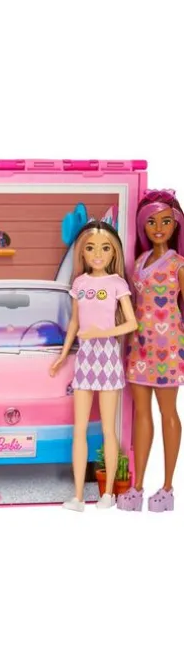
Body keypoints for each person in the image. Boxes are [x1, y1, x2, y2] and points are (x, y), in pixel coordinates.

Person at [51, 220, 137, 511]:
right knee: (79, 428)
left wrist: (102, 332)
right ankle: (77, 496)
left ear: (113, 253)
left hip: (108, 358)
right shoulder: (80, 283)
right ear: (82, 253)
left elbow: (131, 323)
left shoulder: (117, 283)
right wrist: (63, 355)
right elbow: (75, 322)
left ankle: (108, 494)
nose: (97, 254)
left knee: (108, 430)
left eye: (104, 248)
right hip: (85, 358)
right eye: (90, 248)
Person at [120, 189, 184, 512]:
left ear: (176, 226)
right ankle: (137, 486)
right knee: (141, 414)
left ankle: (168, 487)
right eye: (152, 222)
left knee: (168, 412)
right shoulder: (139, 262)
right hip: (140, 346)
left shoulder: (178, 265)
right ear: (143, 225)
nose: (158, 228)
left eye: (166, 222)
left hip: (168, 347)